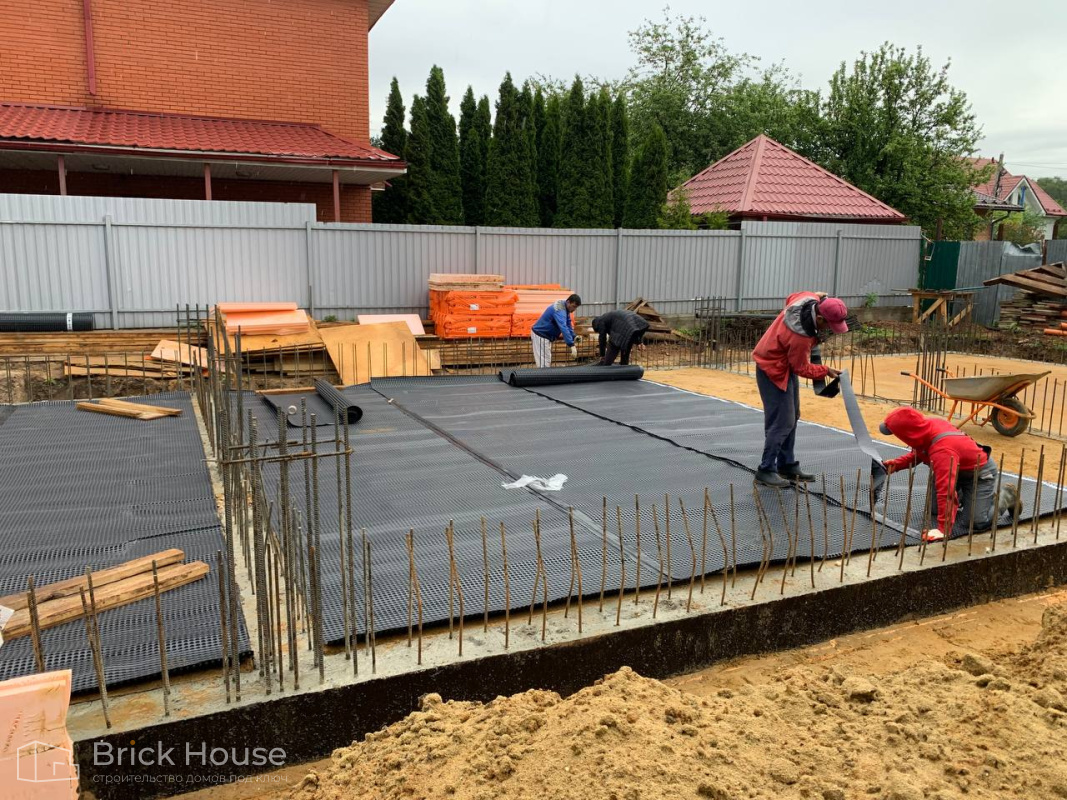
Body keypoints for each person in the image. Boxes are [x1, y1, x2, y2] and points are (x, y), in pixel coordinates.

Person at [751, 292, 849, 488]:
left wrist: (820, 296)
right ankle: (766, 469)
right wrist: (825, 370)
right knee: (782, 422)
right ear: (819, 318)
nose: (829, 330)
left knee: (793, 415)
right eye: (829, 325)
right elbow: (801, 368)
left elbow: (791, 297)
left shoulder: (807, 297)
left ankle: (786, 465)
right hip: (772, 368)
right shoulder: (800, 337)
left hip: (784, 363)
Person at [879, 407, 1021, 541]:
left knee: (975, 522)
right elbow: (921, 450)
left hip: (979, 474)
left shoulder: (942, 451)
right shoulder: (927, 427)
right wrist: (896, 465)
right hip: (956, 468)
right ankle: (969, 497)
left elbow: (946, 490)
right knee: (934, 509)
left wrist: (943, 529)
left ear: (908, 434)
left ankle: (1007, 495)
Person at [531, 294, 582, 368]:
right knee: (543, 364)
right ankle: (542, 375)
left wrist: (574, 336)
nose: (574, 309)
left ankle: (544, 374)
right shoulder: (560, 310)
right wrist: (571, 345)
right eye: (574, 306)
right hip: (540, 335)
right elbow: (563, 327)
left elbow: (568, 323)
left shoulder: (565, 307)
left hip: (545, 336)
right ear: (568, 302)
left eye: (576, 307)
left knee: (546, 361)